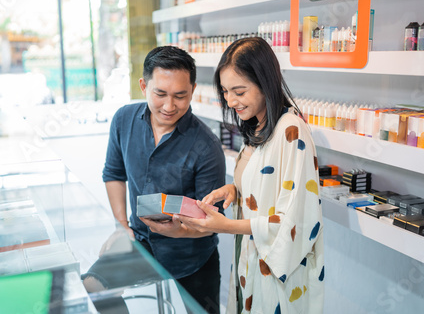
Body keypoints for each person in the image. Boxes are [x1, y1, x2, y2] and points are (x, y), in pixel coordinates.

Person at [176, 37, 324, 313]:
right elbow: (264, 182)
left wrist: (221, 226)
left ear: (265, 82)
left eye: (239, 91)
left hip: (277, 270)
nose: (231, 101)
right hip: (251, 258)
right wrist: (235, 190)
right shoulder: (257, 126)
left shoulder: (291, 132)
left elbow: (292, 221)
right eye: (225, 91)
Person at [102, 46, 226, 313]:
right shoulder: (124, 120)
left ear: (192, 90)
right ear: (144, 85)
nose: (170, 106)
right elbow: (114, 173)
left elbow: (214, 222)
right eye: (160, 94)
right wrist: (121, 225)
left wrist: (179, 231)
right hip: (139, 242)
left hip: (191, 258)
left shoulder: (206, 146)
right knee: (93, 289)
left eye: (181, 96)